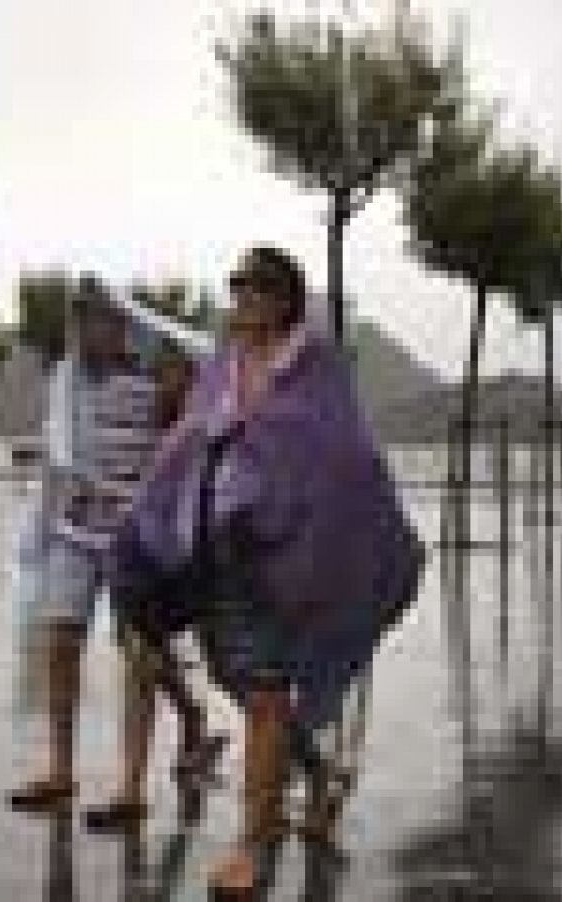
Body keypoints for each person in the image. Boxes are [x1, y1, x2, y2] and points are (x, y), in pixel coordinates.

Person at [118, 247, 424, 897]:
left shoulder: (314, 365)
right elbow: (191, 436)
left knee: (263, 695)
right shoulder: (223, 366)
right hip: (216, 552)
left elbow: (348, 453)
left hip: (286, 558)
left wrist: (290, 483)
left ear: (285, 298)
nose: (242, 298)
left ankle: (253, 845)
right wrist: (158, 499)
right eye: (236, 286)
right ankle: (316, 776)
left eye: (255, 287)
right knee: (246, 687)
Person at [7, 278, 222, 825]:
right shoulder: (67, 381)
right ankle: (61, 771)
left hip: (136, 541)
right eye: (80, 321)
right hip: (75, 535)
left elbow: (201, 412)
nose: (87, 331)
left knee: (140, 660)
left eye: (99, 319)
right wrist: (48, 522)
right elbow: (59, 454)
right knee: (62, 646)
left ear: (122, 324)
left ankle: (130, 788)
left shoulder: (156, 379)